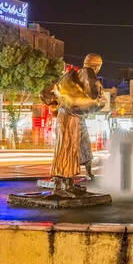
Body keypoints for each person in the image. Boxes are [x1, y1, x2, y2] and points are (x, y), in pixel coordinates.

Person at [49, 53, 105, 197]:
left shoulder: (76, 74)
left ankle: (69, 184)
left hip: (74, 117)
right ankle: (58, 187)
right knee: (65, 149)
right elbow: (92, 96)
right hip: (68, 117)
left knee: (73, 150)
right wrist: (99, 102)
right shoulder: (87, 73)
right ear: (97, 66)